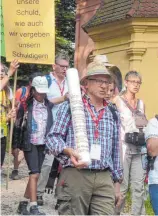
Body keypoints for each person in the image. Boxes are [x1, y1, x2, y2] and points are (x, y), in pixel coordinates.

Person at [45, 61, 123, 215]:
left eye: (107, 82)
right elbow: (52, 138)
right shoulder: (71, 107)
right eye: (99, 81)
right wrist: (67, 150)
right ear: (86, 84)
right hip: (76, 174)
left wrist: (117, 184)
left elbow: (116, 150)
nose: (104, 86)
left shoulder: (113, 113)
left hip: (103, 176)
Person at [14, 76, 54, 215]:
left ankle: (23, 203)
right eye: (38, 91)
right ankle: (33, 206)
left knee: (34, 174)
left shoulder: (48, 105)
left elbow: (50, 125)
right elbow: (18, 126)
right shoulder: (25, 105)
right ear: (33, 90)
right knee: (35, 174)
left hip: (43, 144)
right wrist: (15, 147)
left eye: (43, 92)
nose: (41, 94)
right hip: (29, 143)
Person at [36, 54, 70, 205]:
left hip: (67, 128)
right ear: (53, 66)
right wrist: (63, 98)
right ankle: (38, 192)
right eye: (62, 66)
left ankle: (61, 196)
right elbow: (42, 101)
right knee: (47, 163)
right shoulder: (46, 81)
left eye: (67, 66)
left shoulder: (70, 82)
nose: (64, 69)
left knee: (65, 165)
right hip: (49, 127)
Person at [114, 71, 148, 215]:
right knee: (122, 186)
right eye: (133, 82)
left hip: (139, 147)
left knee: (138, 187)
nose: (135, 85)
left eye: (138, 82)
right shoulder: (117, 100)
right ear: (126, 83)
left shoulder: (141, 103)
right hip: (123, 146)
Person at [11, 73, 42, 180]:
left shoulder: (41, 93)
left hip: (32, 123)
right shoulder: (22, 91)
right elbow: (14, 105)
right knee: (16, 148)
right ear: (30, 82)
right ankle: (15, 167)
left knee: (26, 147)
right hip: (20, 121)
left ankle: (28, 169)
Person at [0, 60, 18, 180]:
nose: (1, 73)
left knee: (1, 156)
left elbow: (12, 107)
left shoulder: (8, 90)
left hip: (2, 129)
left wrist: (11, 114)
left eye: (2, 70)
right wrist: (10, 72)